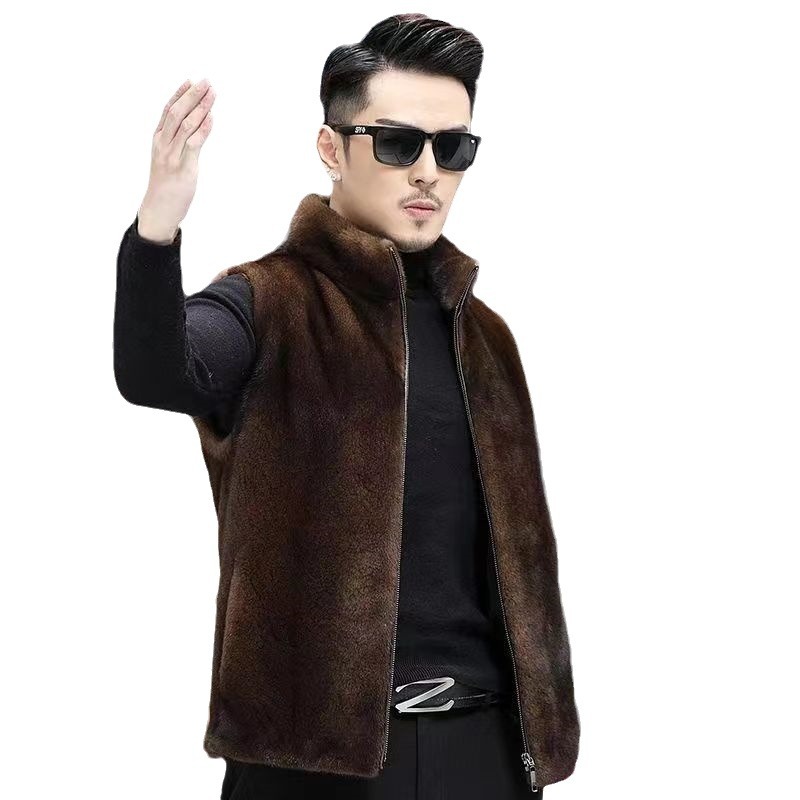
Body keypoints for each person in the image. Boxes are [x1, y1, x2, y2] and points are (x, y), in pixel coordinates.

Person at [114, 13, 579, 798]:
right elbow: (157, 373)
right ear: (331, 148)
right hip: (314, 764)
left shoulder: (486, 336)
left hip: (491, 753)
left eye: (453, 148)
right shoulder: (268, 304)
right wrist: (158, 226)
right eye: (398, 143)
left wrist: (540, 738)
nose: (428, 172)